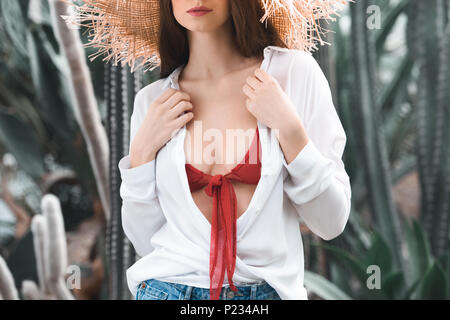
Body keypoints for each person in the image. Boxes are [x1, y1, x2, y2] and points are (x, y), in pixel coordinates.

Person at [67, 0, 351, 300]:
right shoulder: (152, 102)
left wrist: (291, 132)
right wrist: (141, 153)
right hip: (164, 291)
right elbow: (144, 240)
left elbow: (330, 222)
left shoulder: (293, 74)